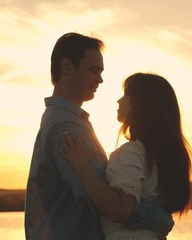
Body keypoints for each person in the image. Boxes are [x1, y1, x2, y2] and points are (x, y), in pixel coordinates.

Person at [24, 33, 174, 240]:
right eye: (94, 70)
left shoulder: (69, 121)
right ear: (67, 67)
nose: (100, 79)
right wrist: (162, 220)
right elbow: (112, 203)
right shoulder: (67, 128)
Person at [62, 73, 192, 239]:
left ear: (142, 104)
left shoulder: (133, 152)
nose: (119, 101)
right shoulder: (160, 157)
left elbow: (121, 210)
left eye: (126, 95)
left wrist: (82, 167)